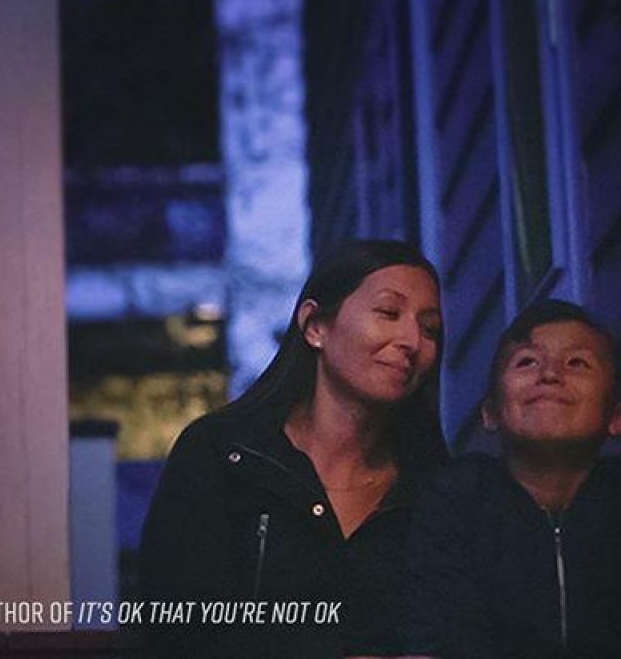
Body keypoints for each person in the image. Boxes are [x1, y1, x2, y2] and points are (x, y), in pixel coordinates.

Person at [140, 239, 447, 658]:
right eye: (388, 313)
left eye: (430, 329)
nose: (412, 340)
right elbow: (175, 626)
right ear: (315, 325)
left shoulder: (434, 488)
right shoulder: (223, 456)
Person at [398, 299, 621, 659]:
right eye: (527, 361)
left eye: (578, 363)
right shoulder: (458, 497)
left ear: (617, 417)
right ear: (490, 412)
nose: (549, 374)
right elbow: (438, 634)